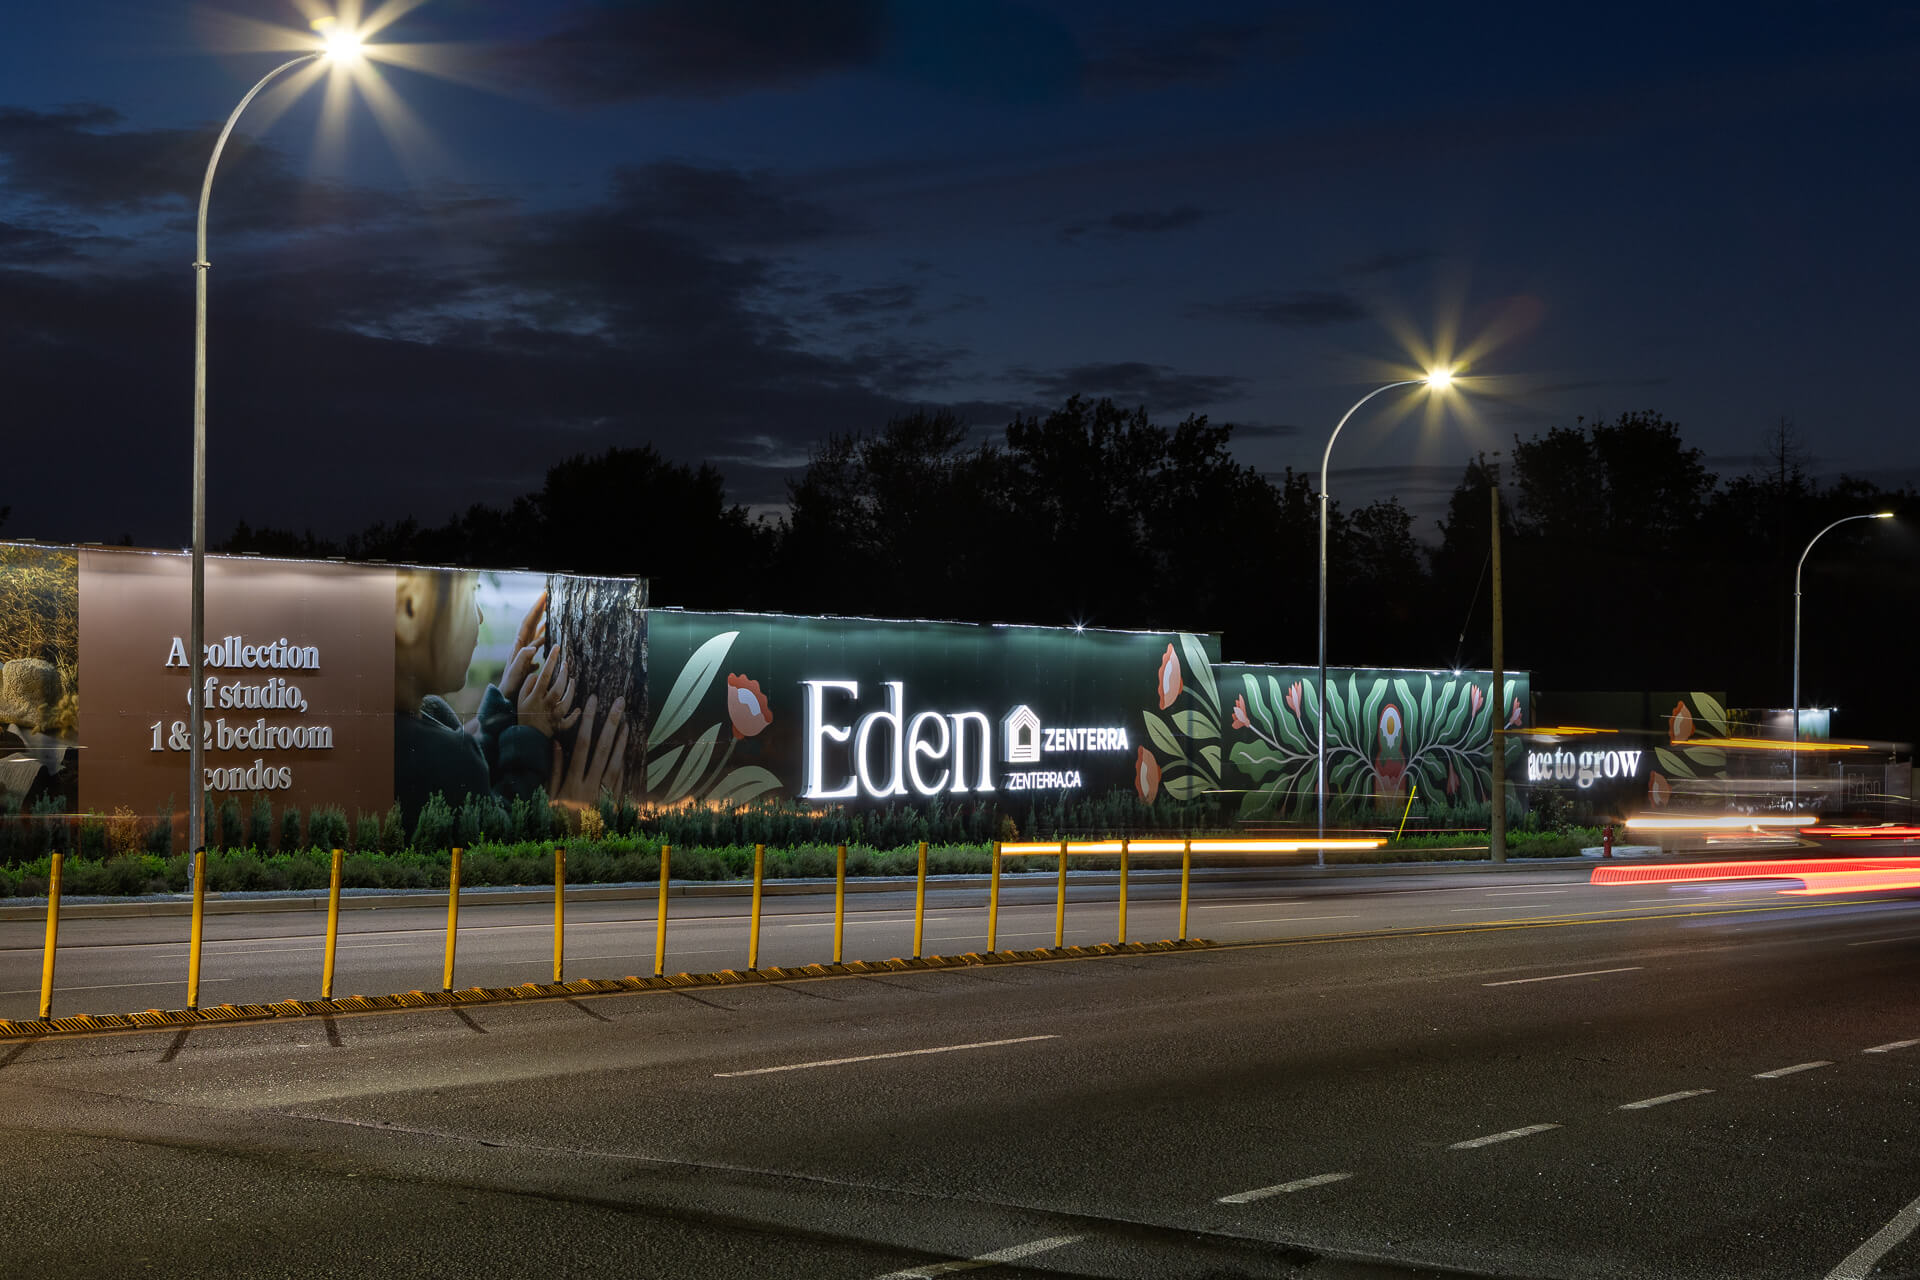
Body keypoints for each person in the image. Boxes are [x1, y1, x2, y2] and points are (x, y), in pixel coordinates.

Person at [393, 573, 625, 827]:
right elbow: (499, 833)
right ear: (409, 609)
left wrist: (502, 706)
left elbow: (470, 786)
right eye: (471, 591)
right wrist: (565, 824)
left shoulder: (418, 725)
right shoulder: (443, 756)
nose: (479, 616)